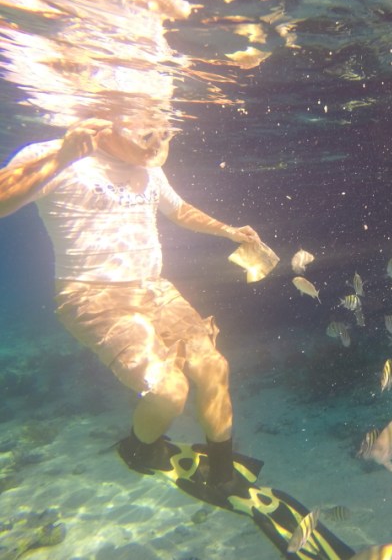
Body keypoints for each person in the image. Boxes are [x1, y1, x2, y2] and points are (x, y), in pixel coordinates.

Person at [0, 112, 259, 494]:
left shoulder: (149, 164)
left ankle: (222, 472)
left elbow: (177, 209)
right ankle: (138, 450)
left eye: (166, 134)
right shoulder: (55, 153)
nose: (158, 144)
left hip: (153, 288)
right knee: (169, 390)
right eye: (149, 134)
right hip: (91, 296)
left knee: (213, 365)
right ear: (107, 123)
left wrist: (228, 231)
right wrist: (62, 158)